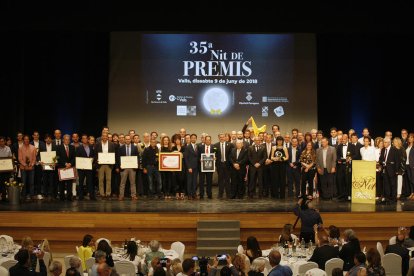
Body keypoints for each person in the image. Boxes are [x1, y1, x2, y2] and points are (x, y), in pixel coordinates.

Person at [116, 135, 139, 201]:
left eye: (129, 139)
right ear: (124, 140)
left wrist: (136, 165)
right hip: (123, 168)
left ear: (130, 140)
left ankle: (133, 195)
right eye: (126, 139)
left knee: (133, 183)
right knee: (122, 183)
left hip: (132, 168)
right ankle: (121, 196)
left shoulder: (134, 147)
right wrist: (118, 166)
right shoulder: (121, 148)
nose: (127, 140)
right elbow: (118, 158)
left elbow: (137, 157)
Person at [94, 131, 116, 198]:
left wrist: (112, 161)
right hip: (100, 164)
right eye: (103, 136)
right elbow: (95, 154)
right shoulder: (97, 144)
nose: (104, 137)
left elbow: (113, 154)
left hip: (109, 164)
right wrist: (96, 160)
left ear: (107, 137)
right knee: (101, 179)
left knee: (108, 179)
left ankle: (108, 193)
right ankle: (102, 193)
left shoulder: (111, 144)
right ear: (101, 137)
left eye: (106, 136)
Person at [56, 134, 76, 201]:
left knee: (69, 183)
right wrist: (65, 164)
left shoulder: (72, 147)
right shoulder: (58, 147)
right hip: (62, 168)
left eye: (68, 139)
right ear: (63, 140)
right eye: (66, 139)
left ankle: (69, 197)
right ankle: (62, 197)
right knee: (62, 184)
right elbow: (57, 157)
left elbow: (74, 157)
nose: (67, 141)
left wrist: (70, 164)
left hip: (70, 168)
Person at [76, 134, 96, 200]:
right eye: (83, 138)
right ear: (81, 140)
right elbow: (77, 157)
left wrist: (93, 159)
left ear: (87, 139)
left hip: (89, 168)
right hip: (81, 168)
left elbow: (93, 155)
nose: (85, 139)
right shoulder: (79, 148)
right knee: (81, 182)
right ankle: (81, 196)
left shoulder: (91, 147)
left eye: (86, 138)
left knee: (90, 182)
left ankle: (91, 196)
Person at [379, 137, 399, 202]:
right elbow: (380, 159)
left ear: (389, 143)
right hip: (385, 169)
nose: (384, 144)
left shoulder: (394, 149)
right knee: (386, 184)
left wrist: (397, 170)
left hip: (392, 170)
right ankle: (387, 197)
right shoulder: (383, 150)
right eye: (384, 142)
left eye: (385, 142)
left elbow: (397, 160)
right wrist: (382, 162)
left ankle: (393, 198)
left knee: (393, 184)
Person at [214, 133, 233, 199]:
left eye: (223, 137)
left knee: (227, 180)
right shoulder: (215, 145)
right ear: (218, 138)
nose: (221, 138)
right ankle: (220, 194)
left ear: (225, 137)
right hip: (219, 165)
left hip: (228, 165)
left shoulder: (230, 145)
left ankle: (228, 194)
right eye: (220, 137)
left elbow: (232, 155)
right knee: (220, 180)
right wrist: (214, 157)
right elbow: (214, 154)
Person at [19, 135, 37, 200]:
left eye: (27, 139)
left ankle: (32, 196)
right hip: (23, 168)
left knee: (31, 183)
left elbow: (34, 159)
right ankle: (23, 196)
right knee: (23, 183)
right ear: (23, 140)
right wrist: (25, 165)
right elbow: (20, 159)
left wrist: (31, 164)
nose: (26, 140)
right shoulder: (20, 148)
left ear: (29, 140)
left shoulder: (33, 148)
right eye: (25, 139)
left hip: (31, 168)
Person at [184, 134, 199, 199]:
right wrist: (189, 167)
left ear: (196, 139)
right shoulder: (188, 147)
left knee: (195, 181)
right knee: (189, 181)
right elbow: (186, 158)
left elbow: (198, 156)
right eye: (192, 138)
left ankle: (194, 194)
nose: (193, 139)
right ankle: (189, 194)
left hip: (196, 167)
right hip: (190, 167)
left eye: (194, 138)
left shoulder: (197, 146)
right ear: (190, 139)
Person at [0, 136, 12, 201]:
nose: (1, 142)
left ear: (4, 142)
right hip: (0, 169)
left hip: (6, 169)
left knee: (5, 183)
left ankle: (4, 197)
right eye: (0, 141)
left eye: (2, 141)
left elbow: (10, 157)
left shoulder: (8, 148)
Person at [406, 133, 414, 200]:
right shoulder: (407, 146)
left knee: (413, 179)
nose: (410, 138)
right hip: (407, 165)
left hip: (412, 165)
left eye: (411, 137)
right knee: (410, 180)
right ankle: (412, 193)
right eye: (409, 137)